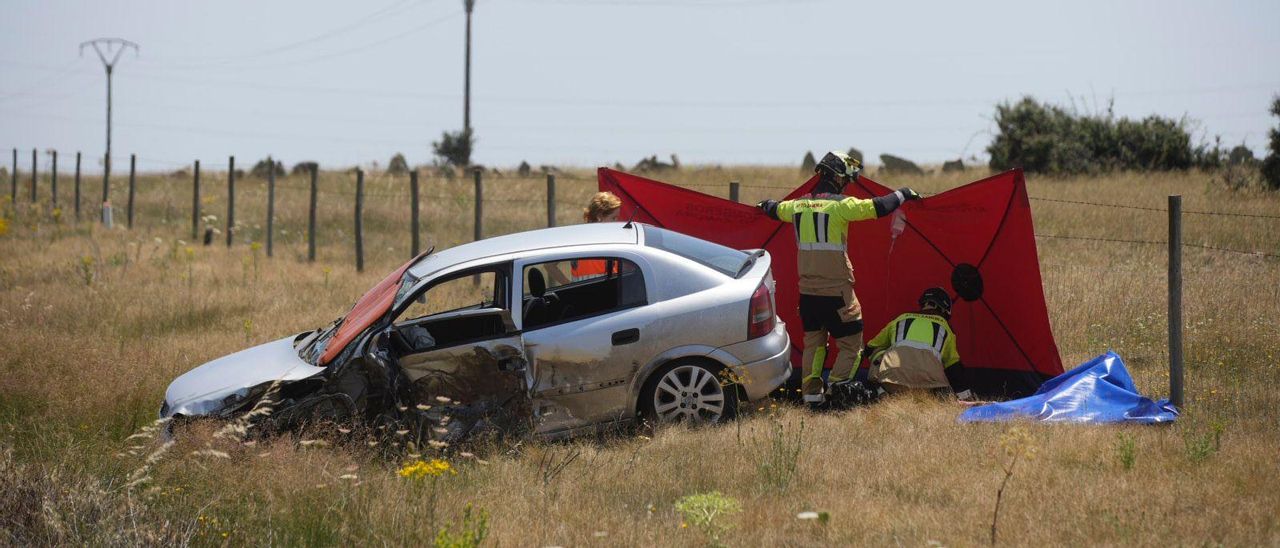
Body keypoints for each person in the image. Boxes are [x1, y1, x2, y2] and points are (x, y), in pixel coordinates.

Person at [757, 151, 921, 405]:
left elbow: (774, 209)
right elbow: (879, 207)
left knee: (814, 344)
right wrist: (904, 193)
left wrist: (763, 204)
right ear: (838, 177)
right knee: (852, 344)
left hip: (808, 294)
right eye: (846, 177)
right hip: (837, 292)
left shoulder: (797, 206)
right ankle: (838, 388)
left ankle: (811, 396)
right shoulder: (842, 206)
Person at [860, 287, 973, 401]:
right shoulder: (946, 328)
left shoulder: (900, 319)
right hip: (928, 387)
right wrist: (965, 397)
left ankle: (879, 392)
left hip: (891, 382)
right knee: (946, 361)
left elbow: (870, 347)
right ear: (944, 311)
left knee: (878, 351)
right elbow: (954, 368)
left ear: (923, 304)